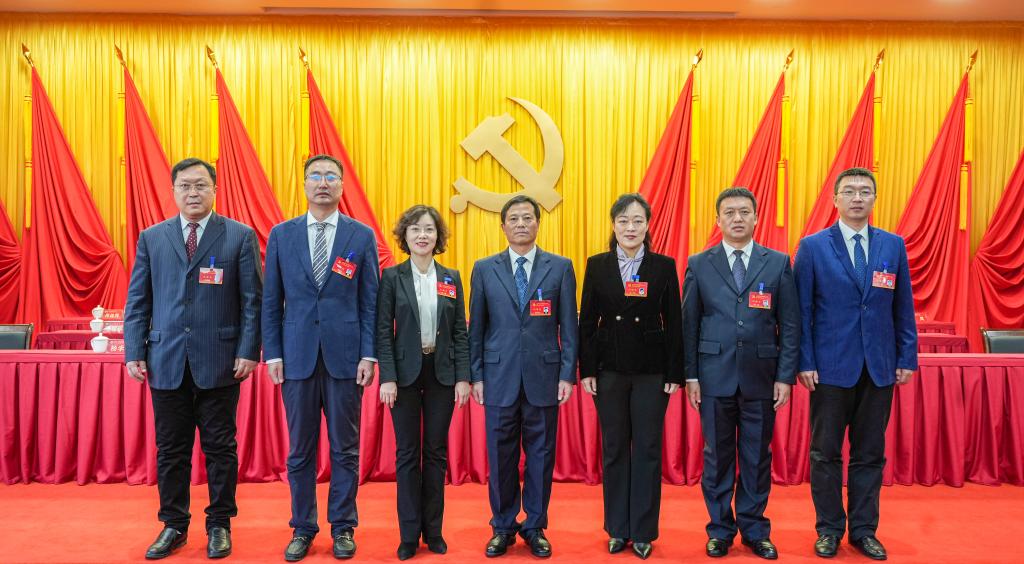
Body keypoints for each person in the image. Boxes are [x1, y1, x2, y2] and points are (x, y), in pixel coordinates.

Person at [124, 157, 262, 560]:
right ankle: (173, 525)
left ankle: (219, 523)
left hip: (221, 361)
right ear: (173, 191)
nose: (193, 193)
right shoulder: (152, 237)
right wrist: (134, 350)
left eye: (201, 185)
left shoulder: (239, 236)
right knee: (171, 450)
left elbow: (252, 301)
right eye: (185, 186)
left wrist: (248, 350)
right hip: (166, 360)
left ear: (215, 190)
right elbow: (138, 300)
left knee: (220, 449)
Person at [794, 167, 917, 561]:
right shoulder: (812, 247)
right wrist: (804, 361)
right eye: (849, 191)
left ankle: (864, 531)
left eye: (865, 191)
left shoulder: (892, 246)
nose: (857, 198)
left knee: (869, 455)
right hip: (829, 368)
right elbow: (802, 312)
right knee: (825, 453)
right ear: (835, 199)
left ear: (875, 199)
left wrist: (906, 355)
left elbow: (903, 306)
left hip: (879, 368)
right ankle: (829, 530)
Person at [262, 154, 380, 561]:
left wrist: (368, 354)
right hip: (296, 357)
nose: (323, 182)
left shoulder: (361, 236)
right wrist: (273, 353)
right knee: (300, 450)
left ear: (342, 185)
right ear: (305, 185)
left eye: (331, 176)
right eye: (315, 176)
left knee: (345, 448)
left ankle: (343, 526)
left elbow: (370, 302)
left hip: (346, 358)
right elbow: (271, 301)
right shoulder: (282, 235)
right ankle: (303, 527)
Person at [682, 187, 799, 560]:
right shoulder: (699, 263)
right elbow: (689, 324)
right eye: (729, 212)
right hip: (713, 376)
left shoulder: (777, 262)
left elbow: (790, 324)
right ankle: (719, 530)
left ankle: (754, 529)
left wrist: (785, 376)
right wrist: (691, 376)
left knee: (756, 457)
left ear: (756, 218)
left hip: (761, 377)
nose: (737, 218)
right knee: (716, 457)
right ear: (717, 220)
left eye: (744, 212)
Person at [469, 194, 578, 558]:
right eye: (513, 218)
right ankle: (502, 526)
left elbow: (569, 327)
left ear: (538, 223)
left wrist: (567, 375)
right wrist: (476, 376)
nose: (520, 224)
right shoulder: (484, 268)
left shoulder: (560, 267)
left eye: (527, 217)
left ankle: (534, 526)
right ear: (502, 226)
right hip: (498, 376)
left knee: (541, 455)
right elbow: (476, 328)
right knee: (500, 457)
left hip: (544, 377)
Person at [578, 193, 682, 560]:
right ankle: (617, 528)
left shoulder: (663, 266)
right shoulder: (597, 265)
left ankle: (643, 531)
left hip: (652, 370)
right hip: (609, 369)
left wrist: (675, 371)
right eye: (623, 220)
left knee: (648, 448)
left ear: (648, 225)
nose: (630, 227)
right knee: (615, 448)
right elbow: (587, 322)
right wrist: (587, 369)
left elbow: (675, 322)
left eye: (638, 220)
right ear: (613, 225)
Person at [375, 205, 471, 560]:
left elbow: (460, 332)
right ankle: (408, 535)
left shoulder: (451, 277)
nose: (422, 235)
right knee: (406, 455)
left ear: (437, 236)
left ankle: (434, 531)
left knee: (435, 453)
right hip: (403, 376)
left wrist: (463, 377)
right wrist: (387, 377)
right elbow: (383, 331)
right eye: (415, 229)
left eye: (429, 229)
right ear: (405, 235)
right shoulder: (392, 277)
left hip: (441, 374)